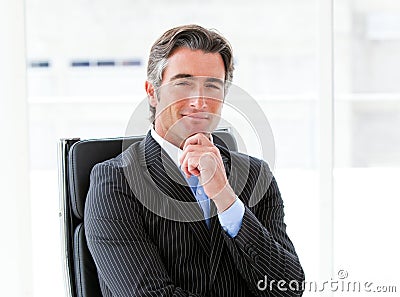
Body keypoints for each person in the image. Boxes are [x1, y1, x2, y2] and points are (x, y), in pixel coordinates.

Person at [85, 24, 305, 297]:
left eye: (212, 86)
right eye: (183, 83)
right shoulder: (116, 182)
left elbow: (289, 288)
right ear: (152, 93)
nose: (199, 101)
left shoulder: (255, 175)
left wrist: (226, 199)